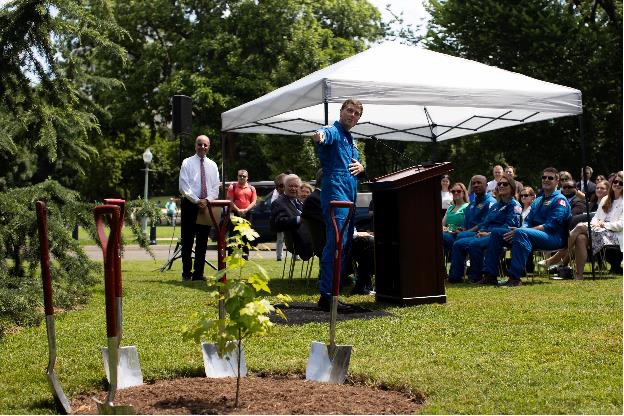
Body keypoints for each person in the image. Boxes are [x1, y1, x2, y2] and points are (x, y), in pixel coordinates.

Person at [311, 98, 366, 311]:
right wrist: (319, 136)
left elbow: (356, 166)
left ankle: (334, 292)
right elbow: (322, 135)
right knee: (336, 244)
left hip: (350, 194)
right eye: (349, 110)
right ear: (341, 111)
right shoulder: (333, 131)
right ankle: (327, 295)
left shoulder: (350, 140)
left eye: (356, 114)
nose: (352, 115)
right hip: (336, 192)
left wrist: (362, 168)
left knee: (345, 245)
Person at [480, 167, 571, 286]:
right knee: (497, 232)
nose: (546, 180)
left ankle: (514, 278)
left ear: (557, 181)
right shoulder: (538, 200)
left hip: (554, 238)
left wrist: (524, 230)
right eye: (544, 177)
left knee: (521, 233)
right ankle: (490, 276)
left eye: (550, 178)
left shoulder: (560, 200)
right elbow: (528, 220)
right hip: (533, 235)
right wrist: (523, 228)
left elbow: (551, 225)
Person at [448, 174, 521, 283]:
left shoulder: (514, 205)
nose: (501, 186)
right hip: (484, 233)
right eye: (499, 184)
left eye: (505, 184)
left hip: (502, 236)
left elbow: (509, 227)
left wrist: (488, 233)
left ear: (512, 187)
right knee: (459, 243)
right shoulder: (496, 206)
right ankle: (455, 277)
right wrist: (481, 231)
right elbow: (485, 223)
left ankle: (476, 276)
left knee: (474, 244)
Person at [178, 135, 220, 281]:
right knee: (188, 241)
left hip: (206, 206)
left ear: (209, 147)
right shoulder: (187, 162)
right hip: (190, 205)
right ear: (195, 146)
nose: (202, 147)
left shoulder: (213, 165)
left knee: (202, 241)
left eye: (205, 145)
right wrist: (197, 200)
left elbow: (215, 188)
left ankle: (198, 274)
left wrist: (206, 200)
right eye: (200, 144)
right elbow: (184, 186)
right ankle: (186, 274)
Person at [443, 175, 495, 255]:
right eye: (473, 183)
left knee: (459, 240)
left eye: (479, 183)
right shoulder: (472, 204)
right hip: (464, 233)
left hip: (481, 234)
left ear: (486, 185)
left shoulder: (491, 202)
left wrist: (467, 231)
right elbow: (465, 221)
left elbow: (486, 223)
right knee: (443, 236)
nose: (476, 185)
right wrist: (461, 229)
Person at [269, 174, 313, 261]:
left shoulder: (300, 202)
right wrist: (299, 219)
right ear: (284, 187)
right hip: (297, 241)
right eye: (290, 186)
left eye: (296, 186)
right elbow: (278, 223)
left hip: (310, 236)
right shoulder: (279, 203)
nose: (293, 189)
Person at [227, 169, 257, 258]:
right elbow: (230, 201)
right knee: (234, 234)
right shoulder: (232, 186)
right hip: (235, 214)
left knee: (246, 235)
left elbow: (254, 201)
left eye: (244, 176)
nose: (242, 178)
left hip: (247, 214)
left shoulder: (251, 188)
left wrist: (246, 209)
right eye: (240, 176)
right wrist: (238, 210)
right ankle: (231, 255)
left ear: (247, 178)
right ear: (237, 177)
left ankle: (245, 256)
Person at [442, 182, 469, 255]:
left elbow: (468, 224)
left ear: (463, 193)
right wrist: (444, 229)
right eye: (453, 191)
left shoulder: (467, 206)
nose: (456, 193)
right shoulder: (450, 208)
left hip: (458, 235)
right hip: (447, 233)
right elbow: (443, 224)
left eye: (459, 191)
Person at [271, 173, 287, 261]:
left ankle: (296, 255)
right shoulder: (276, 194)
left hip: (289, 218)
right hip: (280, 219)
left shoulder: (290, 193)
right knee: (280, 238)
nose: (283, 188)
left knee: (294, 236)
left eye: (284, 185)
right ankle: (279, 256)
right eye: (281, 185)